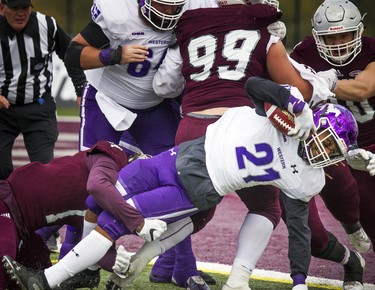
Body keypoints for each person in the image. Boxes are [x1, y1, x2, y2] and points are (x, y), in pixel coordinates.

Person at [3, 77, 374, 290]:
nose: (322, 149)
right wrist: (287, 98)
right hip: (179, 153)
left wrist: (298, 280)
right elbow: (255, 85)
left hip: (198, 185)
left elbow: (297, 225)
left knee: (114, 221)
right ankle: (94, 270)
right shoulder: (294, 118)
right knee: (100, 202)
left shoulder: (307, 176)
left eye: (332, 149)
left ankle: (46, 281)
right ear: (315, 125)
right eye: (324, 138)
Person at [63, 0, 223, 287]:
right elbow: (73, 53)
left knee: (180, 180)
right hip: (107, 100)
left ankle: (178, 265)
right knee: (87, 180)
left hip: (155, 105)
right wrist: (113, 55)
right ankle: (72, 259)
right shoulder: (117, 11)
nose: (170, 13)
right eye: (163, 4)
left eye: (176, 6)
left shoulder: (197, 6)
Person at [0, 140, 169, 289]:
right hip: (6, 200)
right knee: (2, 261)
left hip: (22, 230)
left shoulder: (114, 207)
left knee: (38, 272)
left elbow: (100, 252)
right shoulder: (114, 156)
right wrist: (137, 222)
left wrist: (120, 263)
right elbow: (97, 186)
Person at [290, 0, 375, 260]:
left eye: (345, 35)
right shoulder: (303, 54)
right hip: (332, 145)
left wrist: (325, 81)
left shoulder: (371, 49)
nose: (338, 43)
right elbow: (292, 91)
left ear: (358, 32)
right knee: (360, 204)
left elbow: (363, 89)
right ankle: (352, 230)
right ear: (318, 37)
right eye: (331, 37)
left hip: (372, 137)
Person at [0, 0, 86, 180]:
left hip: (38, 106)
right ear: (2, 8)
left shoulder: (46, 25)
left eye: (25, 8)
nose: (20, 13)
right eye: (14, 8)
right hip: (3, 110)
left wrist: (80, 90)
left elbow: (71, 54)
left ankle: (39, 206)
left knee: (43, 170)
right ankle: (7, 204)